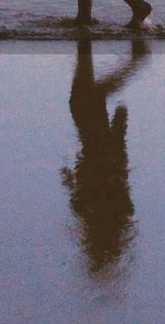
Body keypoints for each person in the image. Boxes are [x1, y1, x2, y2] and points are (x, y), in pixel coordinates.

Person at [62, 37, 147, 279]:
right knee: (84, 100)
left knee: (84, 100)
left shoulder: (100, 219)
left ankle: (95, 49)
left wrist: (71, 181)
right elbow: (114, 185)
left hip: (97, 156)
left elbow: (81, 199)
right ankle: (95, 49)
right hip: (99, 157)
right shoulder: (107, 217)